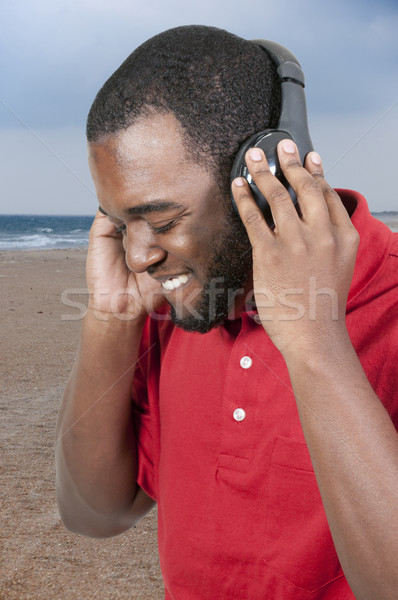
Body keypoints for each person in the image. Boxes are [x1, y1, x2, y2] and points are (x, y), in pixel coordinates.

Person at [55, 25, 398, 600]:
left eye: (162, 222)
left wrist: (315, 343)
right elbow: (93, 515)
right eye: (118, 223)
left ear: (262, 179)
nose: (138, 256)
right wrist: (109, 319)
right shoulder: (182, 307)